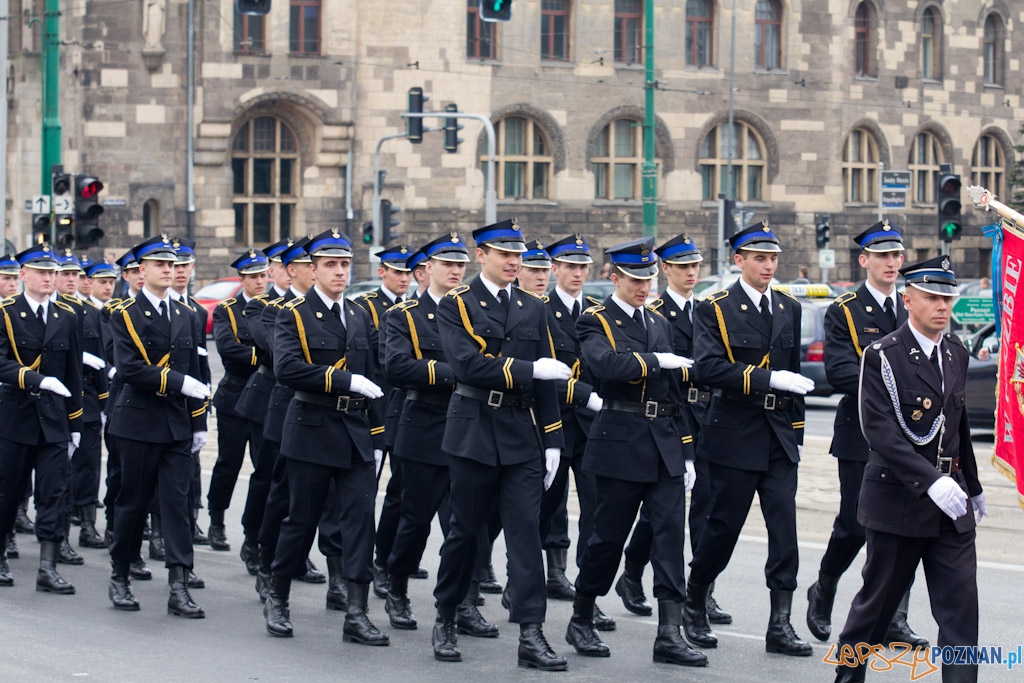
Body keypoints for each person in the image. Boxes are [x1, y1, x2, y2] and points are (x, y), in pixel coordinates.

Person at [834, 256, 984, 683]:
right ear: (908, 299)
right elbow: (880, 432)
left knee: (960, 612)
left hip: (951, 504)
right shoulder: (883, 356)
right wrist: (931, 482)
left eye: (947, 298)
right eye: (932, 297)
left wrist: (972, 486)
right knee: (876, 609)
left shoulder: (955, 352)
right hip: (897, 501)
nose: (942, 306)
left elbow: (959, 425)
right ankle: (848, 677)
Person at [431, 218, 569, 670]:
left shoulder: (533, 306)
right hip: (473, 430)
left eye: (518, 255)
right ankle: (447, 615)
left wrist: (553, 438)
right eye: (505, 254)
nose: (514, 262)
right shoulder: (457, 304)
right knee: (465, 532)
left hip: (521, 434)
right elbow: (467, 366)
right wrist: (529, 371)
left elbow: (547, 377)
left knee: (526, 534)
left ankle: (531, 632)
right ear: (482, 255)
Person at [565, 236, 706, 667]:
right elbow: (606, 365)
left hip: (664, 441)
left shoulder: (658, 322)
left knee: (669, 538)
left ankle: (669, 632)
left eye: (648, 279)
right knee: (607, 538)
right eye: (634, 279)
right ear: (614, 278)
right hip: (620, 442)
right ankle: (582, 615)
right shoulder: (595, 319)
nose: (644, 287)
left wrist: (686, 450)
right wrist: (656, 361)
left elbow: (674, 395)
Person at [684, 221, 816, 657]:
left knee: (785, 532)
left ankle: (780, 623)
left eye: (773, 258)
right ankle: (695, 599)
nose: (768, 266)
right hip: (735, 432)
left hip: (778, 435)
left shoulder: (788, 306)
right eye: (760, 258)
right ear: (739, 260)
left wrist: (797, 432)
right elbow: (707, 368)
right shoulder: (715, 307)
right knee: (723, 527)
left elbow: (794, 375)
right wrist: (767, 379)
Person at [263, 228, 389, 646]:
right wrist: (344, 380)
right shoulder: (294, 314)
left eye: (345, 265)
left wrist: (378, 434)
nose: (339, 272)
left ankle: (357, 613)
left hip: (354, 431)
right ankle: (278, 597)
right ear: (312, 270)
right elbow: (287, 369)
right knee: (300, 520)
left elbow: (372, 377)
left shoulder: (358, 314)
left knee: (360, 522)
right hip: (312, 429)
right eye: (330, 265)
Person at [806, 221, 925, 648]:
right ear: (864, 260)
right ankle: (824, 586)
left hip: (911, 436)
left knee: (905, 527)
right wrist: (897, 387)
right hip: (861, 432)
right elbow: (840, 370)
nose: (891, 263)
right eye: (882, 256)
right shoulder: (845, 309)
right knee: (855, 526)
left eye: (896, 255)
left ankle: (895, 618)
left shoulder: (913, 304)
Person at [616, 234, 729, 623]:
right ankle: (633, 572)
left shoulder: (709, 310)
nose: (691, 272)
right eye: (682, 266)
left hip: (707, 415)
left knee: (706, 506)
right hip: (669, 416)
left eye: (695, 265)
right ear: (665, 269)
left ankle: (702, 590)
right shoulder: (655, 313)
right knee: (659, 511)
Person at [383, 232, 491, 635]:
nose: (455, 271)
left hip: (470, 426)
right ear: (427, 269)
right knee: (415, 519)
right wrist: (460, 373)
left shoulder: (474, 311)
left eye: (461, 264)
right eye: (447, 264)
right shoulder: (405, 314)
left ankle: (463, 601)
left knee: (467, 524)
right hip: (425, 425)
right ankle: (396, 586)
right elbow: (397, 367)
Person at [106, 235, 211, 616]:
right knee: (133, 502)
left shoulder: (188, 314)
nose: (169, 270)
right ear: (142, 270)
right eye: (160, 264)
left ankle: (179, 585)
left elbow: (195, 368)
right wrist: (179, 383)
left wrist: (198, 420)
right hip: (138, 420)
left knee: (177, 506)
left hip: (177, 423)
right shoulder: (125, 313)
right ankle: (120, 575)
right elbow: (130, 368)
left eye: (173, 264)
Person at [537, 233, 612, 627]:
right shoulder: (539, 311)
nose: (577, 273)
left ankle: (588, 596)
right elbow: (543, 374)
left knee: (596, 513)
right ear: (555, 269)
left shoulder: (597, 312)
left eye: (583, 266)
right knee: (542, 508)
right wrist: (584, 395)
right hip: (555, 424)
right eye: (570, 266)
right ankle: (522, 578)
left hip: (593, 429)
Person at [0, 242, 82, 593]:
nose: (49, 278)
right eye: (41, 272)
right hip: (15, 418)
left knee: (54, 494)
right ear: (23, 274)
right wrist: (37, 379)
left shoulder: (67, 316)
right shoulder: (5, 313)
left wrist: (75, 425)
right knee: (7, 492)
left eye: (52, 272)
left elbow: (73, 373)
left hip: (53, 421)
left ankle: (47, 567)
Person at [353, 244, 417, 599]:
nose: (403, 279)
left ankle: (388, 558)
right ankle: (366, 564)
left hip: (409, 408)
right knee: (368, 492)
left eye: (408, 273)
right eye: (397, 272)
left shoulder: (415, 308)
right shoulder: (366, 307)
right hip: (378, 408)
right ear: (383, 273)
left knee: (402, 491)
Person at [206, 250, 269, 552]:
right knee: (228, 463)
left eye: (263, 275)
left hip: (263, 399)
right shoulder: (228, 310)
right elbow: (228, 348)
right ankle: (216, 520)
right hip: (235, 395)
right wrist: (267, 356)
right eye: (253, 276)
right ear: (242, 279)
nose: (259, 281)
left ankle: (254, 533)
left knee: (264, 468)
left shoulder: (273, 307)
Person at [236, 238, 292, 575]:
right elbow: (272, 347)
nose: (291, 272)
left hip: (301, 400)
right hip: (267, 397)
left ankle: (289, 548)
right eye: (285, 266)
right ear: (273, 271)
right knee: (267, 475)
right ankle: (253, 537)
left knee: (294, 482)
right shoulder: (261, 306)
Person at [54, 251, 109, 555]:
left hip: (85, 396)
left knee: (88, 464)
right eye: (65, 274)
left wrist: (103, 403)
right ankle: (57, 534)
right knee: (57, 470)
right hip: (52, 396)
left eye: (75, 275)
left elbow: (100, 360)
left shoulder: (90, 312)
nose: (71, 279)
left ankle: (87, 525)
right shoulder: (49, 310)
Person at [169, 238, 211, 553]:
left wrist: (203, 402)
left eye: (185, 265)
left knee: (191, 468)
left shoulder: (194, 310)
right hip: (158, 398)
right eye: (175, 265)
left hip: (189, 401)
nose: (180, 271)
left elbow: (200, 361)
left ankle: (190, 518)